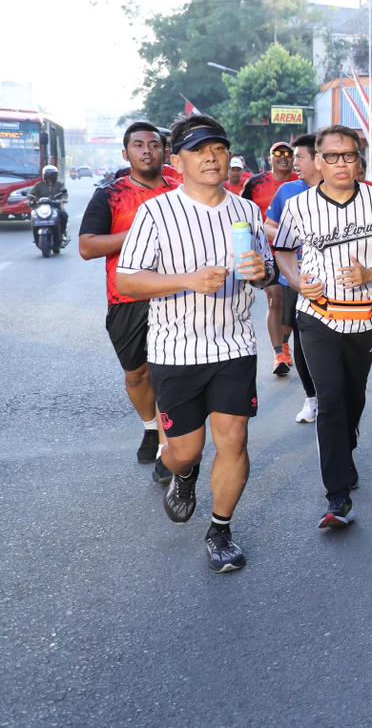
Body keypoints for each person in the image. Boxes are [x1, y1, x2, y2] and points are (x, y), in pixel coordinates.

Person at [116, 115, 275, 573]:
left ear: (229, 156)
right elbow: (128, 280)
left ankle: (220, 530)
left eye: (219, 148)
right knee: (185, 449)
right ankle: (183, 475)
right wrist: (186, 280)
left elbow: (264, 272)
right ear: (177, 160)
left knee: (234, 440)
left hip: (233, 346)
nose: (211, 157)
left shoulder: (247, 211)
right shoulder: (156, 212)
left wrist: (262, 274)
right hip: (176, 351)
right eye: (199, 150)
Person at [274, 125, 372, 529]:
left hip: (366, 315)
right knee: (331, 399)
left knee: (354, 397)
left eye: (349, 155)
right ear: (318, 161)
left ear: (360, 160)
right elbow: (284, 249)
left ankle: (346, 447)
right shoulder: (299, 206)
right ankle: (336, 495)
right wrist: (295, 278)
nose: (342, 163)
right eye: (333, 156)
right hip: (317, 315)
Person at [79, 122, 178, 479]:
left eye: (154, 144)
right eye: (139, 145)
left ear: (165, 151)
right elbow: (88, 246)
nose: (147, 150)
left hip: (174, 294)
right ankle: (151, 426)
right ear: (127, 154)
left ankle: (170, 453)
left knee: (168, 372)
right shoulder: (110, 195)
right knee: (138, 374)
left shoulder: (182, 190)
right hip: (126, 296)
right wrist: (137, 233)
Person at [265, 134, 322, 423]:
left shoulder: (342, 190)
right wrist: (294, 238)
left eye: (300, 157)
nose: (294, 163)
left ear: (318, 158)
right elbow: (268, 226)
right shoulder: (287, 192)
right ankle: (311, 398)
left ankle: (337, 398)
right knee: (303, 341)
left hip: (336, 284)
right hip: (295, 280)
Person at [242, 141, 299, 375]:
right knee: (275, 298)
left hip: (297, 252)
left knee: (293, 303)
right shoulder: (255, 183)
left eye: (288, 153)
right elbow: (242, 213)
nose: (283, 157)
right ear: (270, 157)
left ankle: (285, 341)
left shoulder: (301, 180)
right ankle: (279, 354)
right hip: (267, 252)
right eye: (278, 153)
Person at [30, 166, 69, 244]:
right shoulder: (39, 185)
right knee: (33, 216)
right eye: (50, 175)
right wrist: (31, 200)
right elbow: (32, 195)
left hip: (56, 207)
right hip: (41, 208)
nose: (52, 177)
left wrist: (63, 199)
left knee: (64, 215)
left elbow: (64, 194)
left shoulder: (59, 184)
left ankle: (62, 234)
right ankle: (36, 237)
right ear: (45, 175)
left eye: (54, 175)